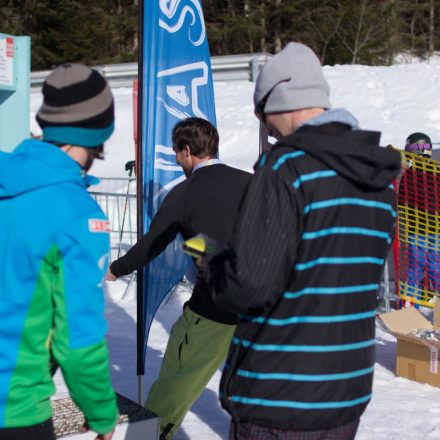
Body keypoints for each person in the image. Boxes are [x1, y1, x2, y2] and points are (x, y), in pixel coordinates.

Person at [204, 42, 402, 439]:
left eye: (262, 114)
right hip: (346, 388)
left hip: (280, 392)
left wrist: (214, 266)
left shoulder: (287, 168)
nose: (265, 126)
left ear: (278, 99)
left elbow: (250, 284)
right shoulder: (378, 180)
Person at [106, 117, 251, 439]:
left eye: (176, 153)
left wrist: (117, 268)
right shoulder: (251, 182)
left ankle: (151, 436)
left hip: (215, 306)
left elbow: (152, 243)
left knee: (175, 380)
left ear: (187, 152)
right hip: (266, 305)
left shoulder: (184, 193)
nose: (176, 160)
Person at [0, 64, 118, 440]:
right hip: (15, 407)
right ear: (101, 131)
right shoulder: (77, 216)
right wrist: (101, 412)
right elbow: (78, 342)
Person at [397, 132, 440, 307]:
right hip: (433, 231)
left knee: (416, 268)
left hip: (418, 232)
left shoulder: (410, 175)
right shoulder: (436, 171)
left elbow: (401, 202)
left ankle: (409, 305)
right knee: (434, 269)